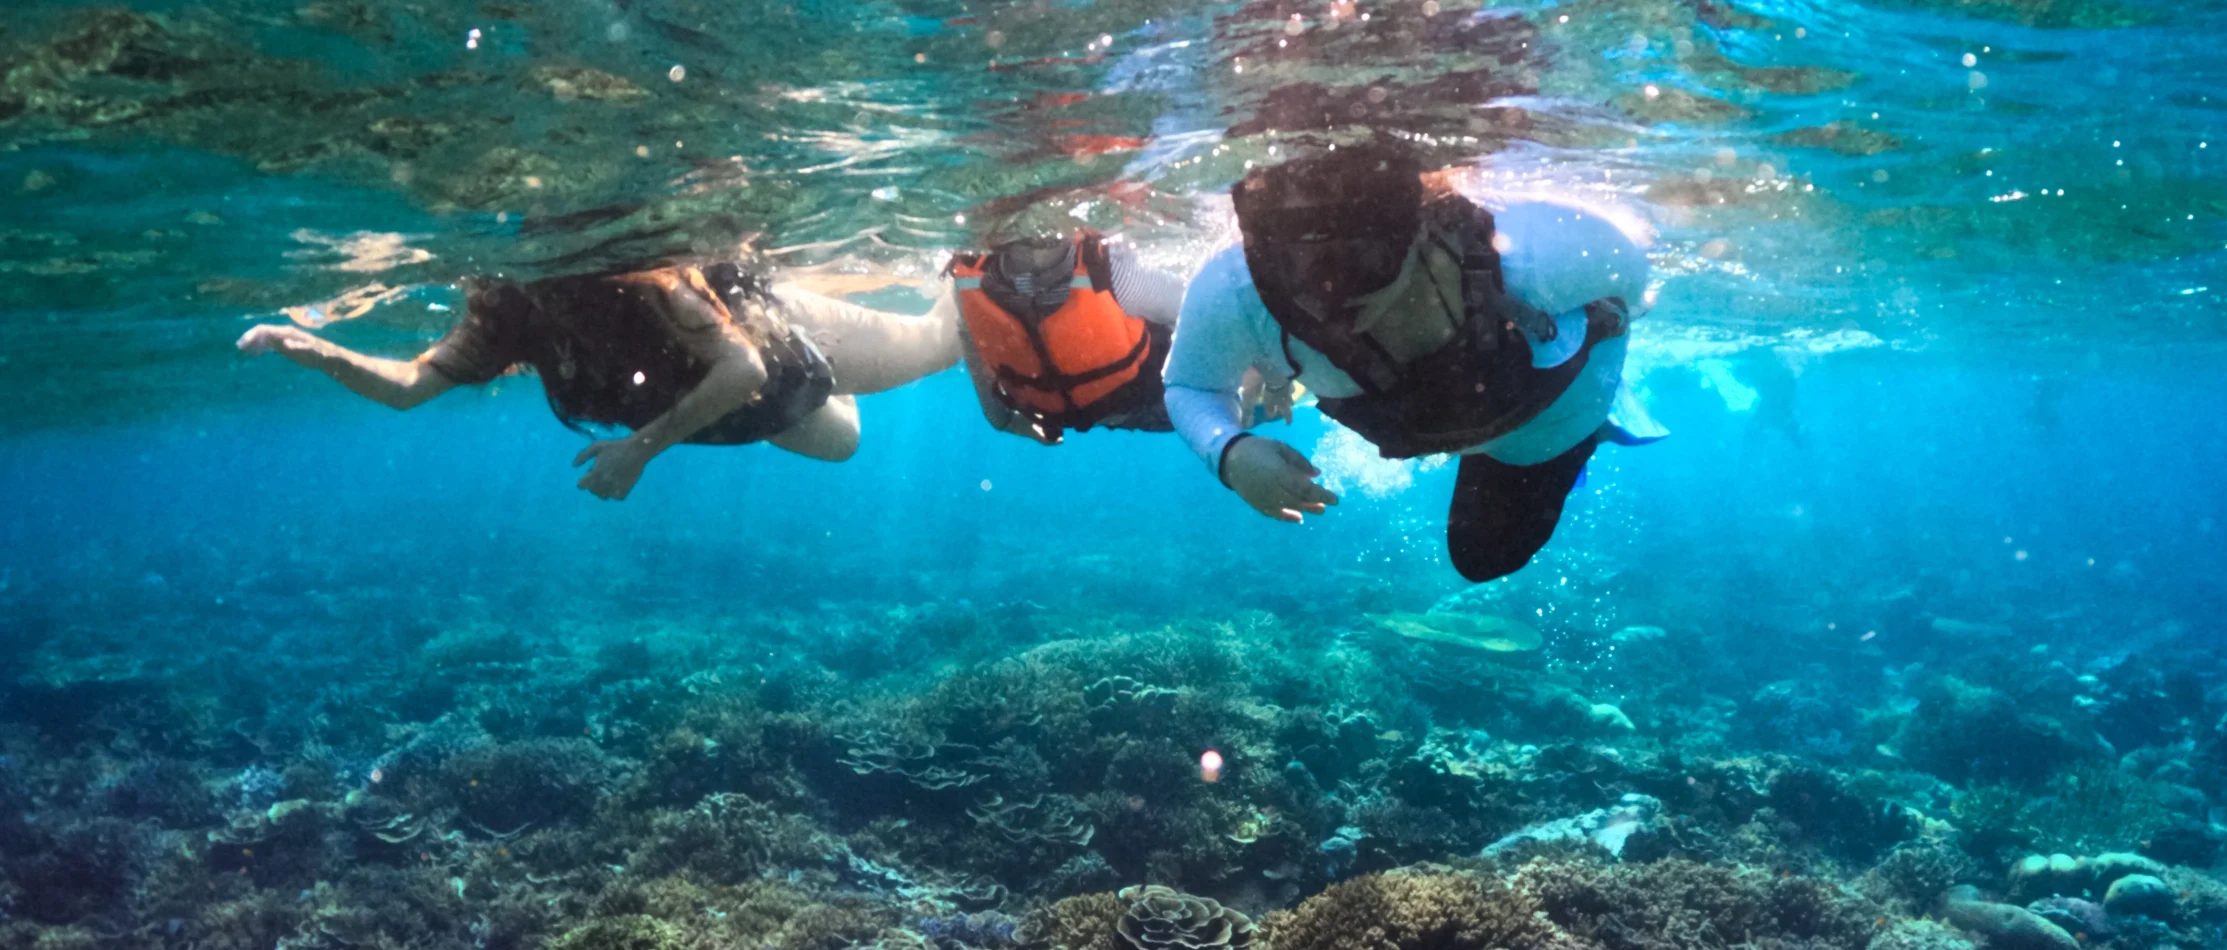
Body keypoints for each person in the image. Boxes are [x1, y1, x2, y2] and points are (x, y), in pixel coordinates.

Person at [1161, 143, 1662, 582]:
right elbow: (1190, 383)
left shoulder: (1539, 249)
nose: (1326, 291)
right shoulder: (1236, 292)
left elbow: (1634, 297)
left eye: (1360, 254)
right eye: (1291, 257)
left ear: (1424, 221)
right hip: (1498, 412)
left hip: (1550, 430)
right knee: (1479, 554)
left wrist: (1592, 352)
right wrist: (1229, 452)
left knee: (1486, 557)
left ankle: (1603, 421)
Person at [238, 260, 959, 500]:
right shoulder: (502, 310)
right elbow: (408, 387)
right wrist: (318, 351)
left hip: (775, 347)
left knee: (937, 344)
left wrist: (640, 450)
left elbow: (742, 364)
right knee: (842, 445)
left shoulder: (647, 278)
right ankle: (843, 377)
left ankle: (978, 262)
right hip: (729, 406)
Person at [948, 231, 1190, 444]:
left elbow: (973, 346)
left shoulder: (968, 284)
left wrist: (1002, 420)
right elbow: (1200, 312)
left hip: (1125, 405)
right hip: (1146, 406)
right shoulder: (1114, 275)